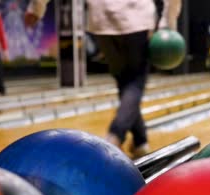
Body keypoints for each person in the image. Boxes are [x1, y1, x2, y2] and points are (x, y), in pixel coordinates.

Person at [25, 0, 182, 158]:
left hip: (102, 20)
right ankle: (115, 135)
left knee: (124, 83)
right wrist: (168, 23)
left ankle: (140, 142)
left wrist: (36, 8)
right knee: (134, 82)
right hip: (136, 19)